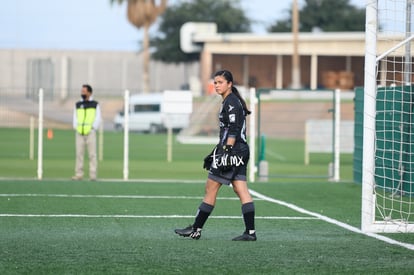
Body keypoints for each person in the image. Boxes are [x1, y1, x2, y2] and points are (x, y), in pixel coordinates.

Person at [175, 70, 256, 241]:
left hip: (233, 151)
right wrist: (214, 152)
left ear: (229, 84)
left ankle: (196, 229)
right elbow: (228, 131)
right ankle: (250, 233)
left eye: (220, 82)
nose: (217, 85)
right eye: (215, 82)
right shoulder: (228, 100)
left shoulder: (231, 102)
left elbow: (233, 130)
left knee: (211, 188)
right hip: (239, 150)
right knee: (240, 189)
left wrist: (225, 152)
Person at [72, 84, 101, 181]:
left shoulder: (95, 104)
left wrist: (93, 128)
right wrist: (76, 127)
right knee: (79, 154)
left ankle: (93, 175)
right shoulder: (78, 104)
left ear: (89, 92)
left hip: (90, 132)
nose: (82, 93)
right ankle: (79, 174)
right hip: (80, 132)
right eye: (82, 91)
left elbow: (98, 117)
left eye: (84, 91)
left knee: (92, 154)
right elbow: (75, 117)